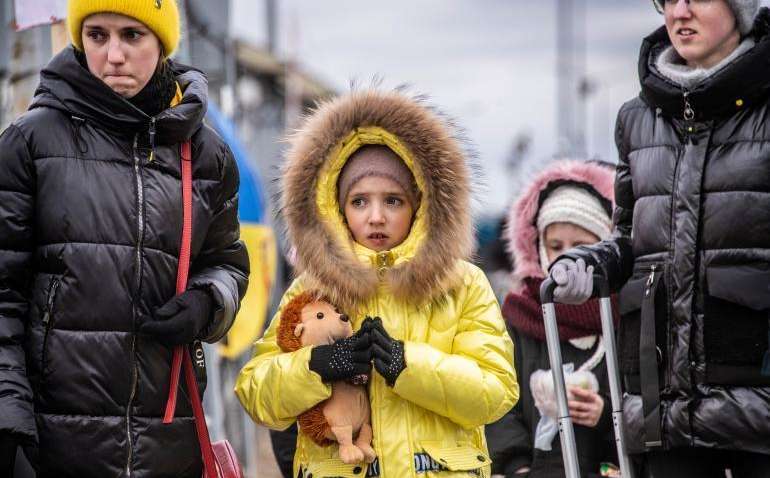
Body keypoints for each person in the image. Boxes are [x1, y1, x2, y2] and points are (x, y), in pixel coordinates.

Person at [0, 1, 249, 475]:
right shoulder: (28, 145)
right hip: (53, 448)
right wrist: (7, 417)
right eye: (97, 35)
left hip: (169, 445)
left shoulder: (208, 155)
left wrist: (207, 301)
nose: (113, 54)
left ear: (162, 43)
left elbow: (229, 264)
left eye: (132, 35)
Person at [236, 89, 519, 478]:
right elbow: (255, 393)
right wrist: (318, 366)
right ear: (335, 206)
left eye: (393, 201)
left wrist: (409, 365)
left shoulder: (463, 284)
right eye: (359, 201)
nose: (375, 217)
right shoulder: (312, 288)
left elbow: (496, 391)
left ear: (420, 204)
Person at [547, 1, 770, 476]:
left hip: (757, 398)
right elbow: (630, 237)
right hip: (663, 403)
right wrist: (591, 264)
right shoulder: (637, 118)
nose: (679, 12)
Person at [485, 160, 618, 478]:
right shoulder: (520, 317)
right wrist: (516, 466)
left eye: (582, 246)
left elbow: (643, 400)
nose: (566, 258)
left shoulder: (624, 315)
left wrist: (606, 415)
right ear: (540, 249)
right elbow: (499, 400)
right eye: (555, 246)